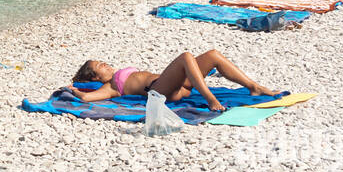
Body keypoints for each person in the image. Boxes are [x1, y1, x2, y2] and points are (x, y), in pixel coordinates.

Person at [69, 49, 277, 110]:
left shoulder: (115, 75)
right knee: (186, 56)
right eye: (100, 66)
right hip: (159, 90)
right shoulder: (110, 86)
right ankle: (210, 98)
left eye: (103, 61)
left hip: (174, 85)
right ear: (96, 77)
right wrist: (75, 91)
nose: (105, 64)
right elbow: (88, 99)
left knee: (213, 55)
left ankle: (254, 87)